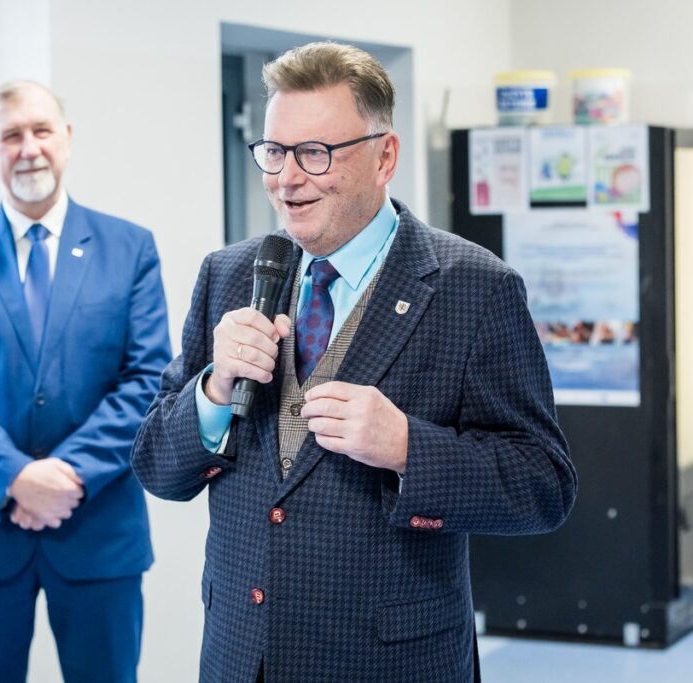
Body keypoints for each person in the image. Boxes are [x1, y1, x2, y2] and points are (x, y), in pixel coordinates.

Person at [132, 42, 577, 683]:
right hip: (241, 657)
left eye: (316, 154)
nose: (287, 178)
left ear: (385, 155)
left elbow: (544, 485)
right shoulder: (227, 275)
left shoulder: (473, 287)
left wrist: (407, 447)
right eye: (274, 153)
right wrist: (211, 389)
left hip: (391, 661)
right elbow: (157, 467)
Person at [0, 80, 171, 683]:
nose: (28, 148)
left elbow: (146, 381)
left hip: (98, 531)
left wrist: (68, 476)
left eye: (41, 130)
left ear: (68, 140)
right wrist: (16, 477)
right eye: (10, 135)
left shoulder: (129, 249)